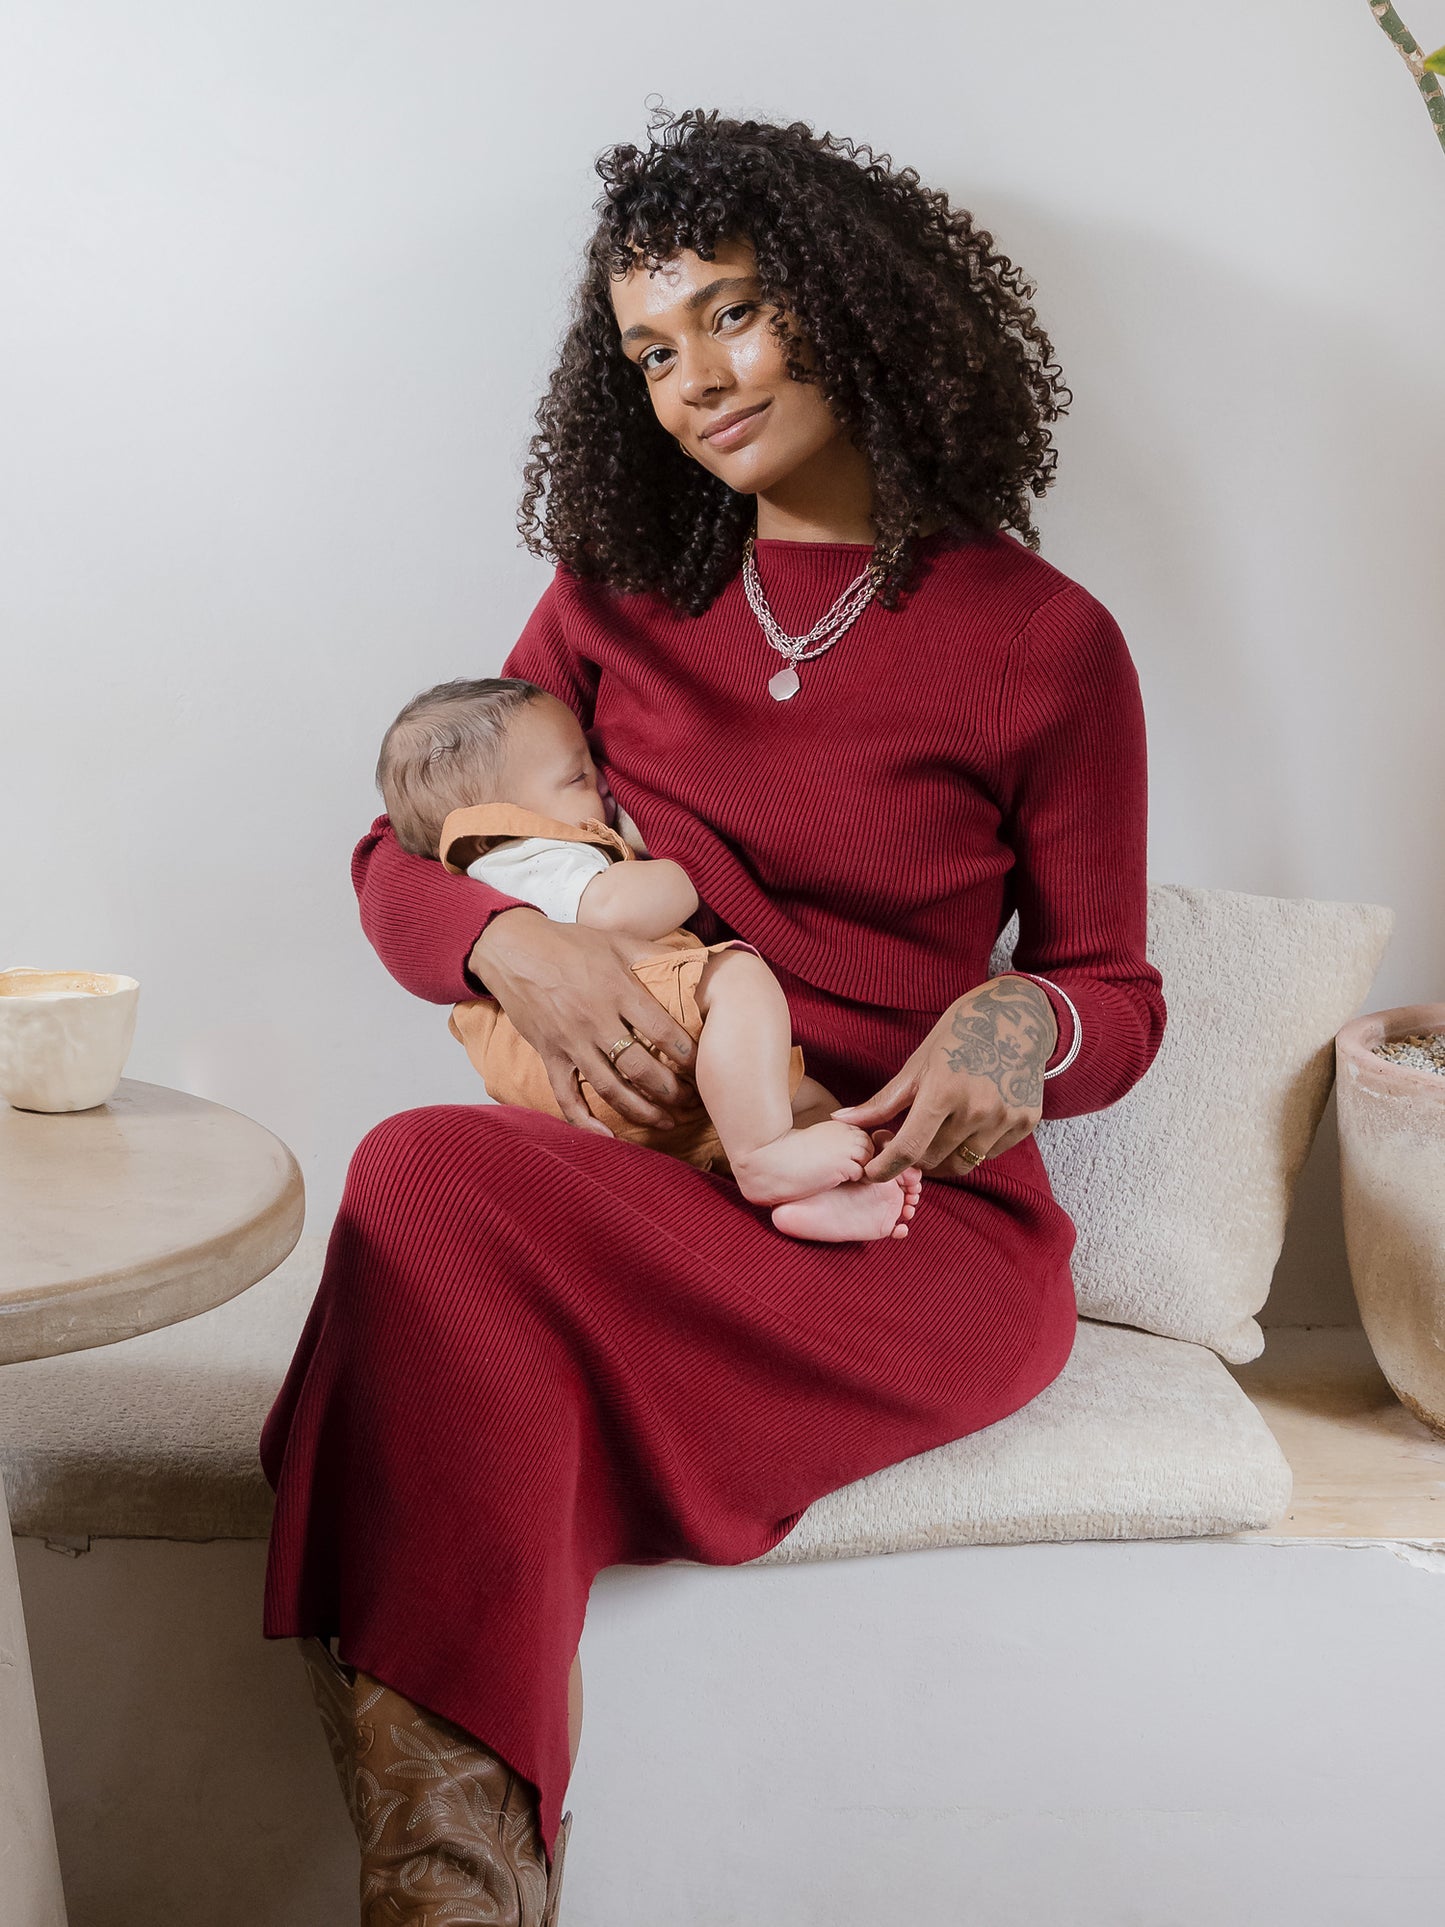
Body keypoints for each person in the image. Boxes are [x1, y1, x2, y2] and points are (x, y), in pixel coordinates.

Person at [260, 102, 1167, 1926]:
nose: (696, 382)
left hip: (899, 1217)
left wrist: (1014, 1031)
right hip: (661, 1172)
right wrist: (515, 950)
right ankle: (456, 1892)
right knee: (425, 1188)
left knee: (417, 1236)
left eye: (734, 316)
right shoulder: (612, 597)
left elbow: (1110, 985)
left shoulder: (1042, 638)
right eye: (650, 353)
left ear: (855, 307)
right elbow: (405, 850)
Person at [374, 673, 926, 1240]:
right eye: (577, 777)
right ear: (493, 818)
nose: (604, 784)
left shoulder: (522, 852)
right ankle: (764, 1153)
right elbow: (612, 911)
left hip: (609, 1066)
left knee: (799, 1097)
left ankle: (828, 1197)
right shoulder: (524, 853)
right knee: (736, 976)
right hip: (598, 1031)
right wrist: (694, 861)